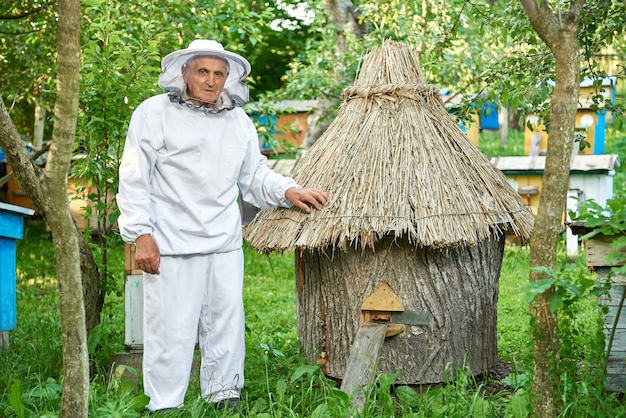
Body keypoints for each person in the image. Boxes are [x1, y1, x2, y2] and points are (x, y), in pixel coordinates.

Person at [116, 39, 328, 412]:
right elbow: (134, 178)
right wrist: (141, 234)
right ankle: (164, 405)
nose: (211, 80)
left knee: (225, 325)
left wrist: (289, 189)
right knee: (169, 330)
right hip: (170, 244)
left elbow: (254, 175)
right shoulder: (152, 114)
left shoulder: (238, 121)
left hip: (224, 243)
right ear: (184, 72)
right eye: (203, 71)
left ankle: (224, 397)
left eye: (218, 73)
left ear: (227, 77)